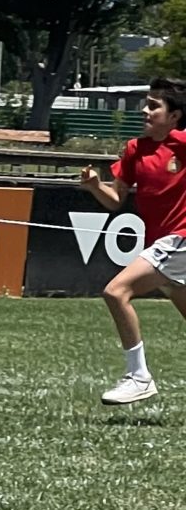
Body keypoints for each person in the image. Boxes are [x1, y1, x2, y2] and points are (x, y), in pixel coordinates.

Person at [78, 77, 186, 407]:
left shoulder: (183, 143)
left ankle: (139, 377)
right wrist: (95, 186)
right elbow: (114, 200)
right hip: (163, 244)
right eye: (146, 104)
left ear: (174, 116)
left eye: (154, 106)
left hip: (180, 240)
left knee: (116, 291)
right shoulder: (135, 149)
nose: (145, 110)